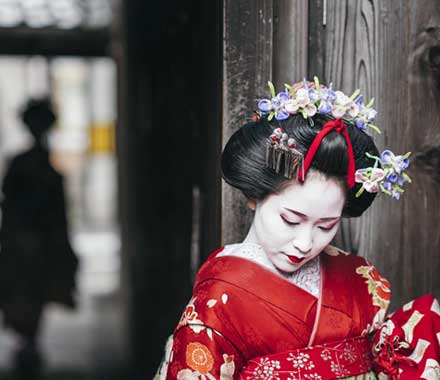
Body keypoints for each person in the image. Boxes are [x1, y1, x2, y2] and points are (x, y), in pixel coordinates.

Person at [156, 79, 440, 379]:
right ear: (254, 195)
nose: (305, 243)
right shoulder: (217, 301)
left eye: (326, 225)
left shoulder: (355, 276)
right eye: (291, 220)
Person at [0, 98, 79, 379]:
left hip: (34, 243)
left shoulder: (33, 165)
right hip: (27, 243)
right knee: (27, 295)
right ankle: (28, 342)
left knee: (31, 294)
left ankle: (29, 342)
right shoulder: (29, 165)